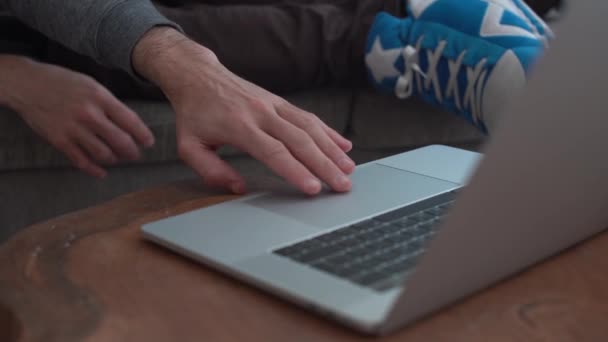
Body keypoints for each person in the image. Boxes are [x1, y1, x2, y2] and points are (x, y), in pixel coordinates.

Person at [0, 0, 557, 195]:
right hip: (39, 33)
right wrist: (12, 73)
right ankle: (392, 40)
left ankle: (414, 10)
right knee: (103, 48)